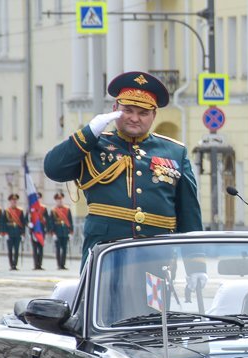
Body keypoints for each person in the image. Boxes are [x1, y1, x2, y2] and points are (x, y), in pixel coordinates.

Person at [42, 71, 203, 266]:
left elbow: (189, 213)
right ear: (114, 109)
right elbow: (53, 169)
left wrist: (196, 265)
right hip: (106, 260)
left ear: (154, 115)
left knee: (153, 298)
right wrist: (88, 133)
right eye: (128, 110)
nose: (135, 118)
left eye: (143, 113)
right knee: (104, 298)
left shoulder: (175, 151)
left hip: (157, 261)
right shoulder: (94, 145)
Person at [2, 193, 25, 270]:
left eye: (15, 200)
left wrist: (22, 233)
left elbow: (22, 223)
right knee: (10, 250)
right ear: (10, 201)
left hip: (17, 232)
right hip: (10, 232)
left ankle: (15, 264)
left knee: (16, 250)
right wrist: (5, 233)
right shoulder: (6, 211)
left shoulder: (20, 211)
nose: (14, 202)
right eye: (12, 200)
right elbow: (3, 223)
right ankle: (11, 264)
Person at [50, 191, 74, 270]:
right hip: (57, 232)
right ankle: (59, 265)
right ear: (56, 200)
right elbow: (51, 223)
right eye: (58, 199)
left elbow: (70, 221)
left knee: (64, 249)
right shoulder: (53, 210)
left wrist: (71, 232)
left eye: (61, 199)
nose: (60, 201)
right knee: (58, 249)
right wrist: (53, 233)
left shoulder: (67, 209)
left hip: (65, 232)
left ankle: (63, 264)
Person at [28, 191, 48, 270]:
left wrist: (47, 228)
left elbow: (48, 219)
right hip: (34, 230)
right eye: (36, 198)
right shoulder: (31, 208)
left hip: (41, 230)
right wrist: (29, 224)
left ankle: (40, 264)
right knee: (35, 248)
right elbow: (27, 218)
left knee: (41, 248)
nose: (38, 199)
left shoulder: (43, 208)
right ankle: (35, 265)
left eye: (39, 198)